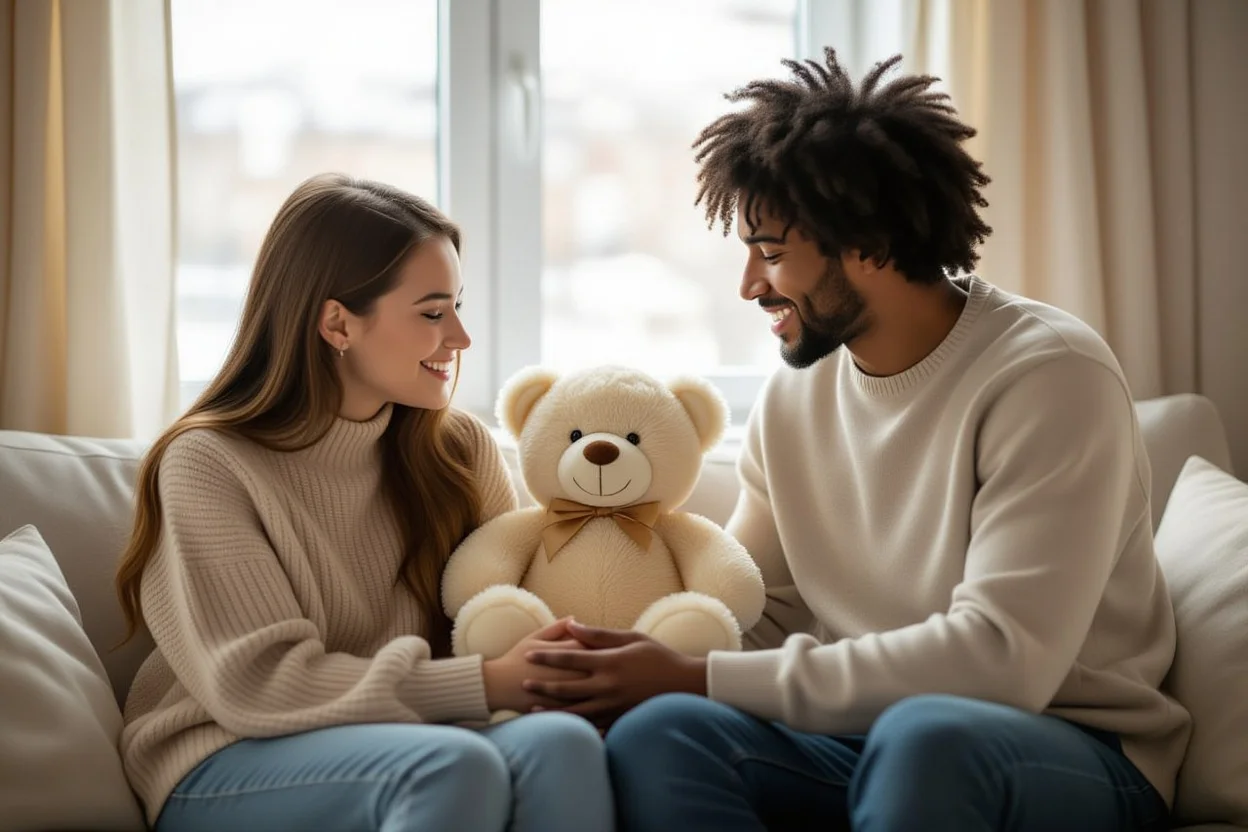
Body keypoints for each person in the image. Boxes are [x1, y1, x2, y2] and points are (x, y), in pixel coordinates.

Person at [521, 50, 1189, 831]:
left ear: (867, 243)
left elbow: (1004, 661)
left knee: (928, 736)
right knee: (662, 733)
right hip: (866, 738)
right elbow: (759, 609)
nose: (748, 285)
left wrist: (700, 676)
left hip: (1072, 745)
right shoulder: (796, 394)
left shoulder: (1048, 376)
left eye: (770, 253)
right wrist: (630, 658)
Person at [114, 173, 613, 832]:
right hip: (224, 756)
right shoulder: (209, 463)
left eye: (458, 307)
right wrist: (488, 683)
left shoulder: (460, 449)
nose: (460, 338)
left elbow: (506, 614)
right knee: (451, 766)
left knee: (563, 746)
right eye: (434, 313)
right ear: (337, 323)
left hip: (421, 734)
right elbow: (257, 684)